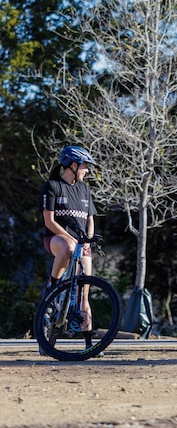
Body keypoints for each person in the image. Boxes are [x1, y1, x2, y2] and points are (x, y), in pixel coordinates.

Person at [39, 146, 98, 351]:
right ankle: (53, 285)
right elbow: (49, 221)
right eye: (84, 166)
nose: (87, 170)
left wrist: (88, 239)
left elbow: (90, 220)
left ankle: (89, 343)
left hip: (82, 244)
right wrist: (70, 237)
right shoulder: (53, 186)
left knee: (84, 295)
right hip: (57, 239)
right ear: (73, 165)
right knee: (68, 247)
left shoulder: (85, 189)